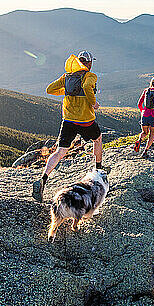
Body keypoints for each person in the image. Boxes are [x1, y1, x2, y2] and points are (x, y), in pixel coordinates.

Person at [32, 50, 107, 202]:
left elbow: (50, 89)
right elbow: (86, 87)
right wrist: (94, 103)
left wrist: (68, 91)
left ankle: (43, 179)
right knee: (97, 139)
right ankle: (99, 170)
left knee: (60, 151)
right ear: (90, 63)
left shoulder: (66, 77)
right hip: (85, 119)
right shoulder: (90, 76)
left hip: (68, 120)